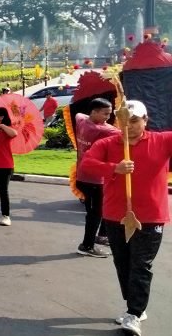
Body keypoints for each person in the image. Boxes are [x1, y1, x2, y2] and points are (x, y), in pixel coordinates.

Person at [81, 100, 172, 335]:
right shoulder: (108, 143)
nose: (128, 127)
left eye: (133, 121)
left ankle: (134, 312)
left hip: (151, 216)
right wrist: (114, 168)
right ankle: (135, 305)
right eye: (123, 122)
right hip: (115, 215)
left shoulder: (162, 141)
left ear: (145, 120)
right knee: (123, 263)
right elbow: (88, 164)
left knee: (141, 265)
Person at [74, 98, 120, 257]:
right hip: (91, 179)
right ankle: (86, 246)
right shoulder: (105, 130)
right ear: (94, 112)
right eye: (105, 113)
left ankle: (101, 236)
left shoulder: (81, 120)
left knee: (103, 208)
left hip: (84, 176)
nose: (109, 116)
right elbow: (125, 133)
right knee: (95, 214)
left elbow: (78, 114)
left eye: (110, 113)